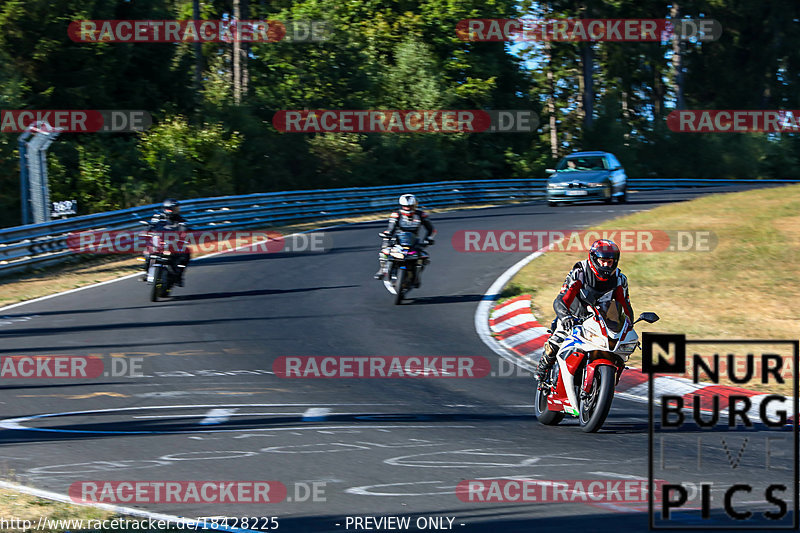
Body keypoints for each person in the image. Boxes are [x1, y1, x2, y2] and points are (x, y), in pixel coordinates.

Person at [535, 239, 634, 382]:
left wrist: (628, 325)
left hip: (601, 321)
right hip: (574, 318)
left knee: (620, 348)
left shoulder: (619, 279)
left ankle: (609, 379)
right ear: (594, 259)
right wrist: (566, 317)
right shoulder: (580, 272)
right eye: (603, 261)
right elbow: (562, 299)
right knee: (558, 338)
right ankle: (543, 367)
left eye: (610, 262)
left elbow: (625, 306)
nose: (606, 265)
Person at [374, 194, 435, 282]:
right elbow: (391, 228)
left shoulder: (421, 215)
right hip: (398, 240)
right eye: (405, 206)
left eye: (410, 206)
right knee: (385, 250)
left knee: (423, 256)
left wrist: (428, 239)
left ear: (414, 205)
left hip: (414, 241)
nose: (407, 208)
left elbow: (431, 229)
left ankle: (417, 276)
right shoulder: (396, 215)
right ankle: (383, 269)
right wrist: (387, 234)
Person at [141, 198, 191, 286]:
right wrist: (146, 230)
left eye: (177, 208)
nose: (177, 210)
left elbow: (186, 228)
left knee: (186, 253)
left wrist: (186, 233)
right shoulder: (157, 217)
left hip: (173, 243)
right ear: (168, 209)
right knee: (147, 251)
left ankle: (179, 275)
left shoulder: (181, 220)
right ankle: (146, 271)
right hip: (159, 241)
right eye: (175, 208)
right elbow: (150, 225)